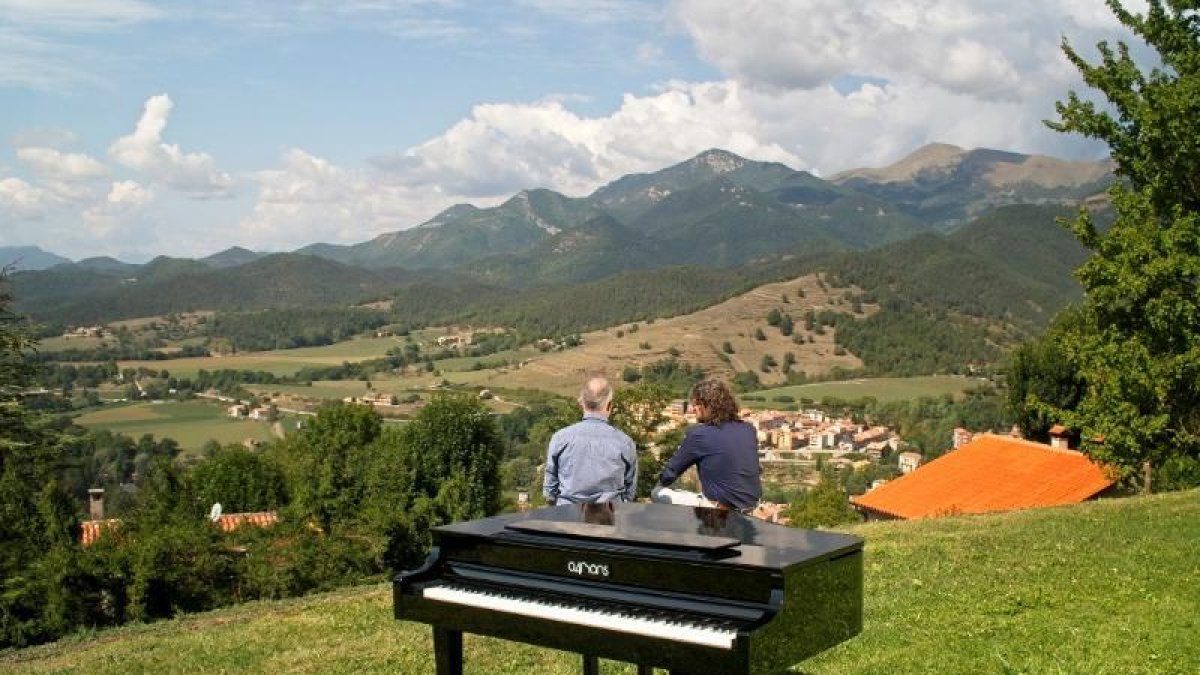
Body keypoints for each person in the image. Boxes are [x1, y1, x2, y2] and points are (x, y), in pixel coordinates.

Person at [655, 379, 761, 513]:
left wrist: (659, 482)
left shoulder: (700, 434)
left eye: (696, 404)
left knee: (657, 492)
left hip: (720, 510)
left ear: (708, 405)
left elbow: (670, 473)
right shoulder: (748, 429)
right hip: (752, 507)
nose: (692, 409)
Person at [543, 375, 637, 505]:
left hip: (567, 516)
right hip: (608, 518)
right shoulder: (625, 443)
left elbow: (550, 490)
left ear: (581, 403)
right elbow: (630, 491)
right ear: (609, 406)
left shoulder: (560, 438)